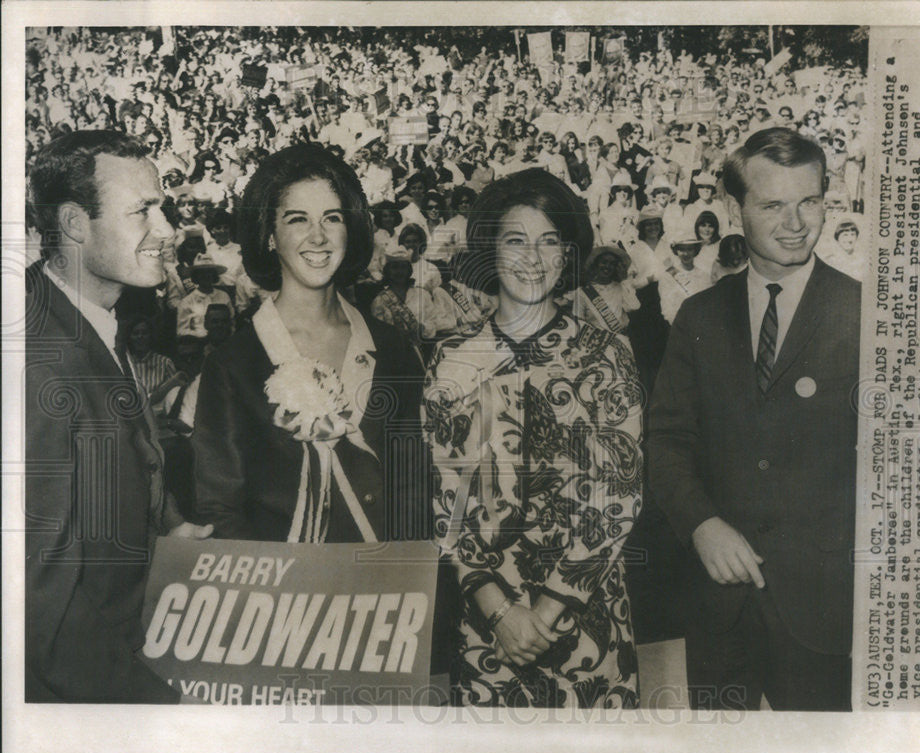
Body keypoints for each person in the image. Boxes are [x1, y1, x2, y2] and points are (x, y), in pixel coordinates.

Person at [647, 127, 861, 711]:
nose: (795, 222)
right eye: (772, 205)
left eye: (809, 202)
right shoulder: (698, 316)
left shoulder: (865, 314)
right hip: (720, 610)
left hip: (825, 613)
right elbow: (665, 441)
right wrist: (701, 524)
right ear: (733, 210)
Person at [423, 168, 642, 708]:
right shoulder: (451, 358)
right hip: (485, 630)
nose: (533, 258)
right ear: (490, 252)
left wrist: (545, 613)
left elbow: (617, 498)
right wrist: (499, 612)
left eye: (549, 242)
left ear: (568, 255)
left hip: (587, 623)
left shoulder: (605, 353)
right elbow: (444, 501)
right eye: (515, 241)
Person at [25, 129, 210, 702]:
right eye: (144, 211)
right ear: (78, 223)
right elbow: (39, 606)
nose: (168, 229)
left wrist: (167, 522)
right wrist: (160, 709)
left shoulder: (87, 316)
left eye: (164, 208)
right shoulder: (35, 363)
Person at [192, 143, 428, 544]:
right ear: (269, 235)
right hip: (280, 596)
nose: (318, 237)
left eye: (332, 218)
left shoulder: (393, 348)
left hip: (384, 590)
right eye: (298, 219)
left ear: (350, 230)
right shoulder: (233, 364)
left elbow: (413, 488)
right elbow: (220, 510)